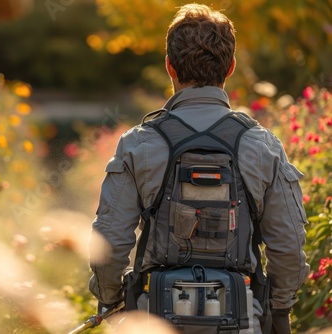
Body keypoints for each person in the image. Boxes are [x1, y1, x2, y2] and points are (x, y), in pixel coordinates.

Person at [88, 3, 309, 333]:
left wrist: (111, 299)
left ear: (169, 67)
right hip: (241, 318)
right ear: (231, 67)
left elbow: (110, 240)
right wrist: (279, 308)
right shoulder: (263, 146)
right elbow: (288, 245)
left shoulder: (138, 144)